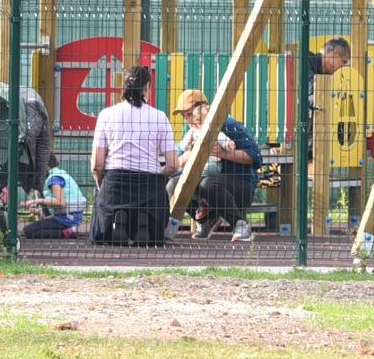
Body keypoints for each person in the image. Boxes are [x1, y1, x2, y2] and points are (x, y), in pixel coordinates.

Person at [90, 66, 179, 246]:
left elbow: (97, 164)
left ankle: (117, 220)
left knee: (100, 234)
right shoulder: (160, 117)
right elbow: (173, 165)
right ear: (147, 87)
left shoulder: (107, 115)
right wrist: (159, 177)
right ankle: (144, 222)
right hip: (149, 186)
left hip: (115, 183)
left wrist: (102, 183)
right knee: (155, 231)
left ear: (124, 86)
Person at [169, 89, 263, 242]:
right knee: (177, 181)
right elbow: (181, 155)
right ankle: (205, 221)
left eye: (188, 114)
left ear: (202, 109)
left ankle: (240, 224)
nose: (187, 120)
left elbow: (256, 158)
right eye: (183, 116)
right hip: (211, 185)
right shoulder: (194, 131)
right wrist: (171, 168)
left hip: (239, 186)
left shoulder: (228, 126)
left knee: (208, 184)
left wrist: (222, 153)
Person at [23, 153, 86, 240]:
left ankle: (66, 232)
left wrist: (37, 201)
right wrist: (36, 210)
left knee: (28, 231)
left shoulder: (54, 179)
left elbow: (61, 202)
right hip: (70, 216)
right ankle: (69, 230)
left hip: (66, 219)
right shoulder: (60, 173)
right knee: (35, 228)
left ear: (44, 165)